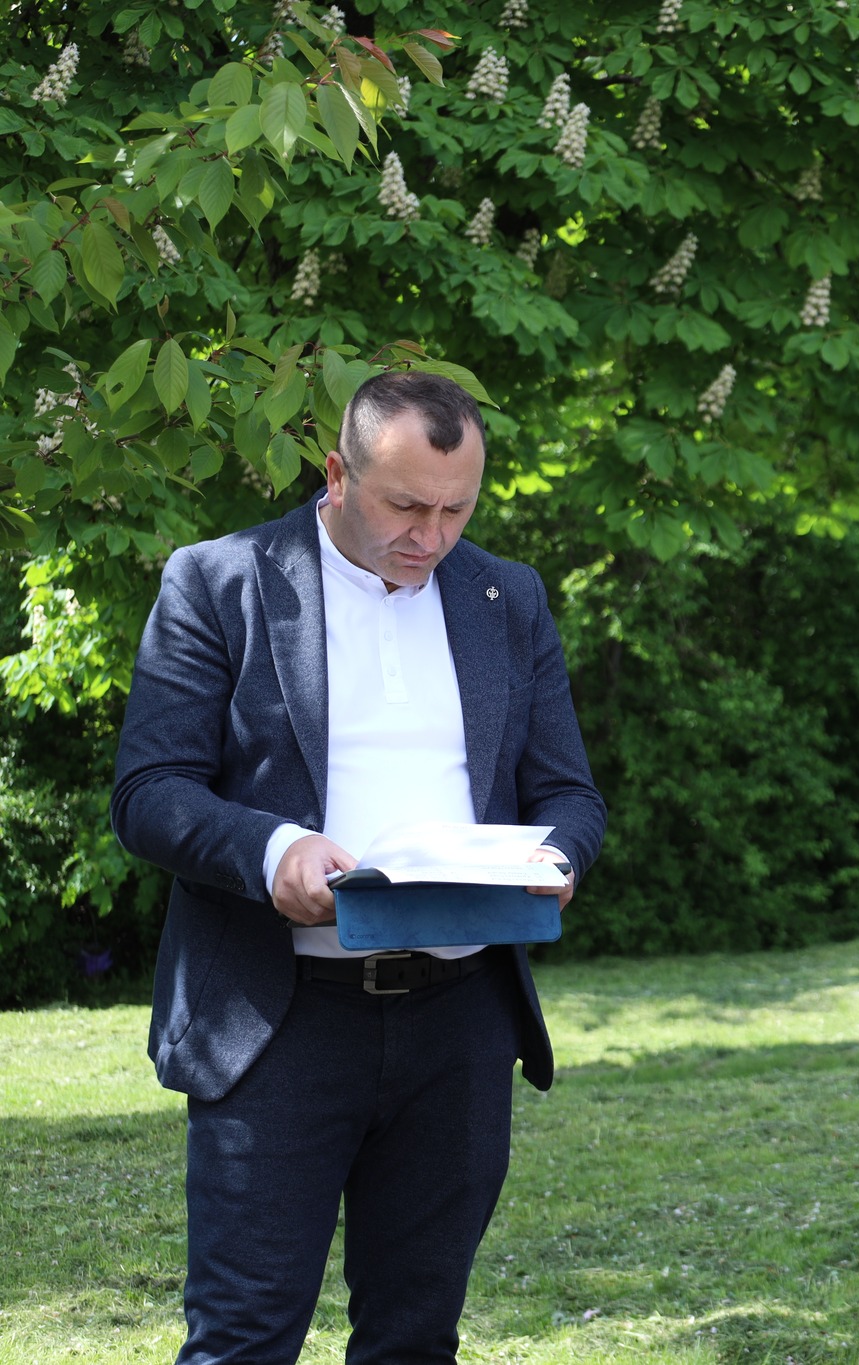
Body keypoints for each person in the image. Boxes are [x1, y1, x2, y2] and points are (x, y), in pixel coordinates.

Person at [111, 370, 607, 1363]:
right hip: (278, 1019)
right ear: (337, 475)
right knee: (244, 1337)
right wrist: (273, 850)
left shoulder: (506, 597)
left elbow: (568, 793)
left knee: (416, 1338)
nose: (431, 535)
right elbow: (151, 791)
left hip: (459, 1024)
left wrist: (552, 857)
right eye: (406, 506)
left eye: (456, 510)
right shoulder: (219, 581)